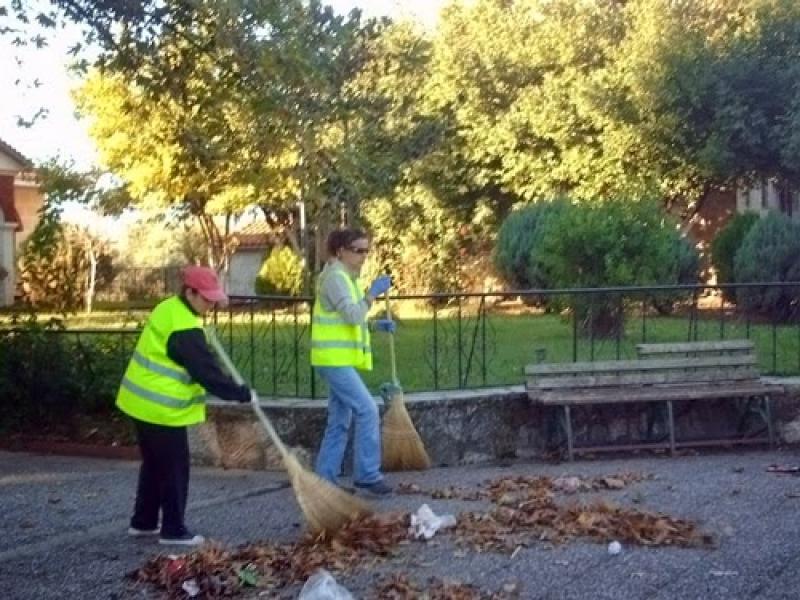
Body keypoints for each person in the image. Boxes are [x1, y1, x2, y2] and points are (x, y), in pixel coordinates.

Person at [116, 265, 252, 546]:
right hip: (161, 408)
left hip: (141, 402)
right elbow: (207, 373)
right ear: (189, 292)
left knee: (154, 465)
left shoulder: (169, 308)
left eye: (214, 299)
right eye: (206, 298)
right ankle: (173, 530)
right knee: (176, 468)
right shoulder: (185, 328)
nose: (211, 304)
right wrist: (241, 394)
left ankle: (143, 522)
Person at [311, 228, 396, 496]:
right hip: (333, 360)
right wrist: (372, 295)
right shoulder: (336, 277)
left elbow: (350, 319)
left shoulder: (345, 278)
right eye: (358, 250)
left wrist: (374, 325)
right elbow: (351, 314)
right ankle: (367, 476)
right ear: (340, 251)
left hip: (336, 359)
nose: (363, 256)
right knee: (367, 409)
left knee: (339, 419)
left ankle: (326, 481)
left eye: (366, 251)